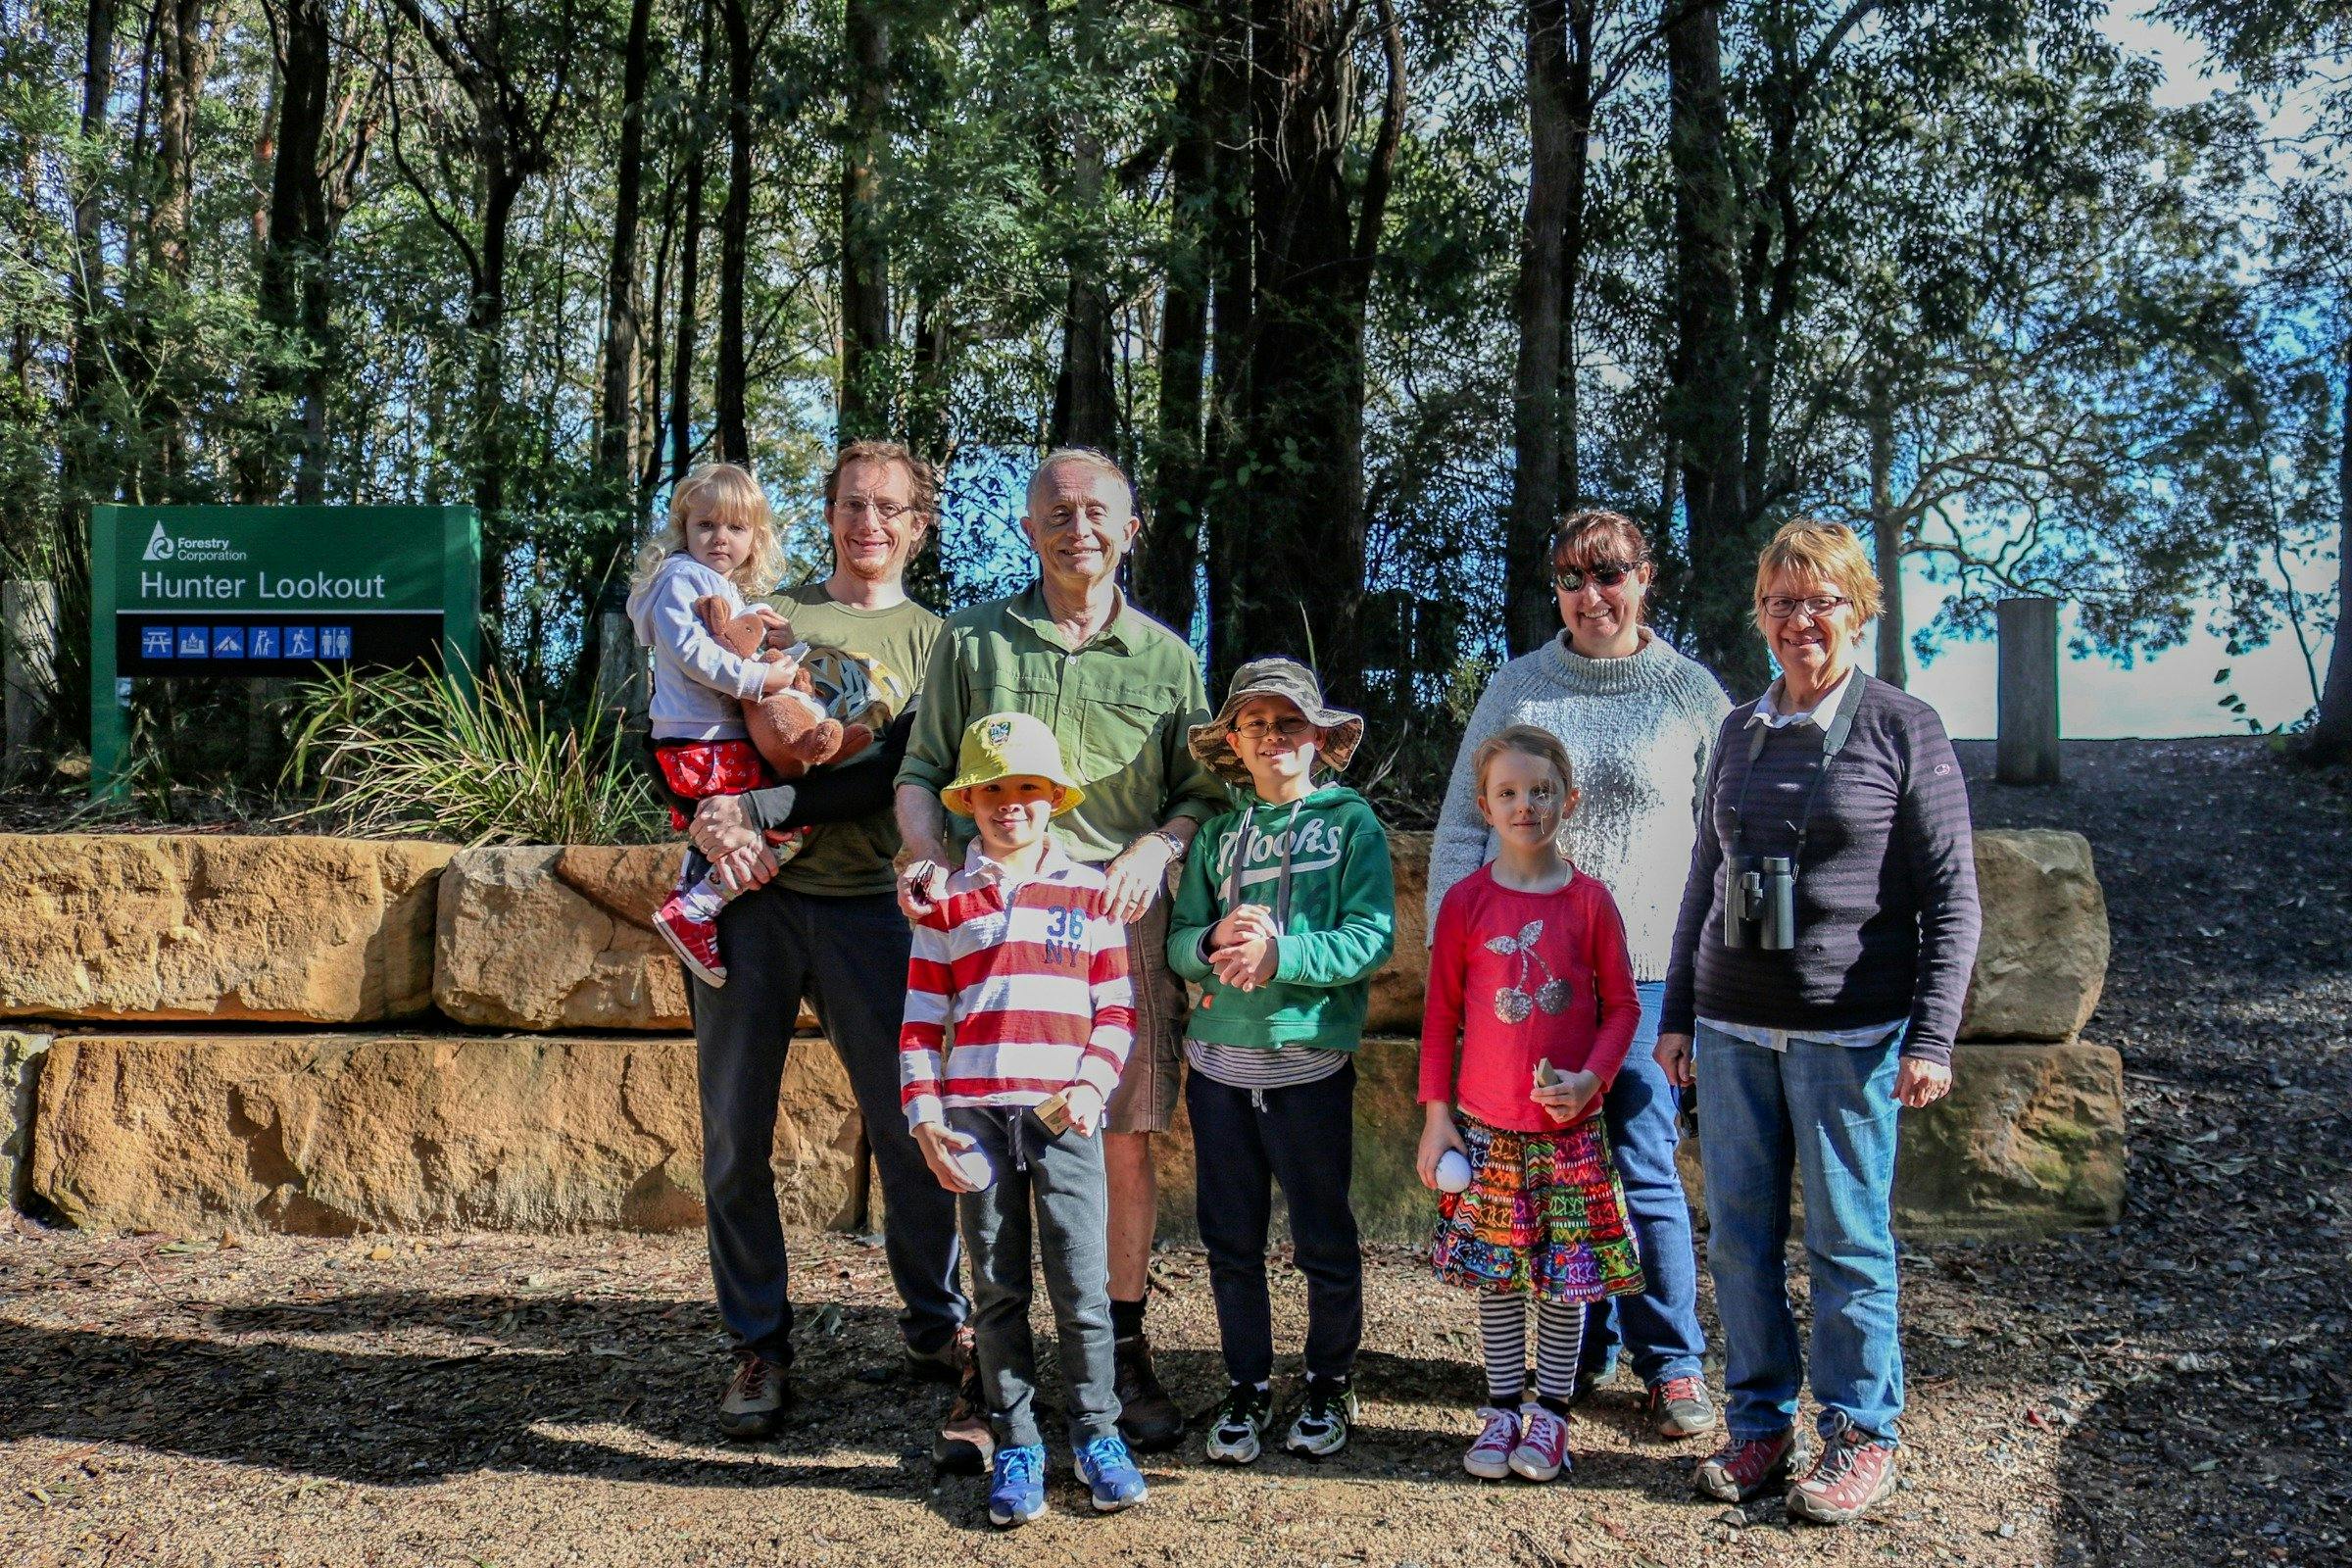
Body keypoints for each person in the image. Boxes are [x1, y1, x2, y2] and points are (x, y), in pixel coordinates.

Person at [895, 448, 1228, 1450]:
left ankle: (1117, 1353)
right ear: (1029, 529)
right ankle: (988, 1372)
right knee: (979, 1135)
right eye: (1055, 512)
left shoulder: (1168, 659)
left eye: (1097, 511)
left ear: (1133, 528)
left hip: (1112, 930)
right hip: (990, 931)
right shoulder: (973, 640)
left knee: (1120, 1137)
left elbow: (1201, 793)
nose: (1076, 526)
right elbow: (920, 768)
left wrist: (1156, 847)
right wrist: (924, 860)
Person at [1655, 519, 1980, 1526]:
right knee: (1739, 1239)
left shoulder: (1902, 726)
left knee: (1847, 1241)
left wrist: (1931, 1035)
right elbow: (1704, 881)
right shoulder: (1740, 731)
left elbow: (1953, 894)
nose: (1803, 619)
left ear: (1858, 610)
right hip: (1732, 1029)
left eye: (1823, 600)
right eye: (1783, 601)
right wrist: (1676, 1014)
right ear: (1759, 615)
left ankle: (1861, 1434)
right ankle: (1761, 1426)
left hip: (1850, 1033)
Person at [671, 444, 976, 1461]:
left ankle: (937, 1324)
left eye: (891, 508)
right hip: (754, 902)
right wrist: (715, 824)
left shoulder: (944, 641)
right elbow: (694, 727)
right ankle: (757, 1345)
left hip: (877, 911)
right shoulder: (769, 610)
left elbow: (898, 768)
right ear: (831, 512)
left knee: (911, 1129)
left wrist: (769, 799)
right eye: (853, 504)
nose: (869, 523)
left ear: (920, 523)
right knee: (732, 1134)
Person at [1427, 509, 1727, 1438]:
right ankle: (1576, 1350)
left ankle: (1670, 1360)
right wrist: (1465, 958)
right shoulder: (1519, 686)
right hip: (1526, 981)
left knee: (1639, 1170)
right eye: (1570, 577)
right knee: (1546, 1172)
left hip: (1640, 981)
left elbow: (1724, 841)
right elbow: (1460, 828)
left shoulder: (1690, 694)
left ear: (1645, 578)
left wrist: (1703, 985)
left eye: (1610, 574)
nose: (1590, 595)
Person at [900, 711, 1150, 1527]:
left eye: (1029, 790)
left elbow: (1115, 1009)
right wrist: (926, 1115)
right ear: (970, 801)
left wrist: (1090, 1089)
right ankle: (1016, 1441)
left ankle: (1098, 1433)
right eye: (995, 791)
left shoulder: (1092, 890)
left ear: (1054, 799)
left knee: (1082, 1284)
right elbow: (918, 1021)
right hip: (975, 1118)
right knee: (998, 1289)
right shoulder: (946, 903)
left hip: (1064, 1118)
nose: (1013, 806)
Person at [1166, 658, 1395, 1464]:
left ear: (1318, 737)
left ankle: (1330, 1380)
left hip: (1307, 1065)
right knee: (1230, 1238)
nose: (1273, 737)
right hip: (1220, 1068)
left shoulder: (1351, 821)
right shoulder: (1220, 835)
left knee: (1322, 1235)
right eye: (1257, 724)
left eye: (1289, 722)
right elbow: (1179, 939)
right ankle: (1247, 1385)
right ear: (1235, 740)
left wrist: (1281, 955)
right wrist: (1212, 943)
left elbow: (1372, 936)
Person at [1418, 725, 1644, 1485]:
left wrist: (1592, 1081)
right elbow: (1440, 1017)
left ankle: (1551, 1415)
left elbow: (1622, 1009)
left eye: (1541, 791)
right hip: (1486, 1132)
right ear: (1484, 806)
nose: (1526, 805)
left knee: (1565, 1274)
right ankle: (1501, 1408)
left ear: (1568, 801)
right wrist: (1436, 1115)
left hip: (1569, 1134)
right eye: (1509, 793)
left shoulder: (1590, 903)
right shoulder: (1466, 903)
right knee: (1501, 1273)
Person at [625, 464, 808, 987]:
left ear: (755, 538)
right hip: (699, 741)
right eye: (706, 525)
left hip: (711, 739)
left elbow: (732, 646)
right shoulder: (681, 577)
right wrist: (760, 681)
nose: (719, 538)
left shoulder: (721, 589)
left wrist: (783, 646)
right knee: (785, 831)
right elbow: (692, 654)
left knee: (749, 829)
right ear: (683, 529)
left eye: (735, 528)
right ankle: (696, 908)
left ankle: (694, 880)